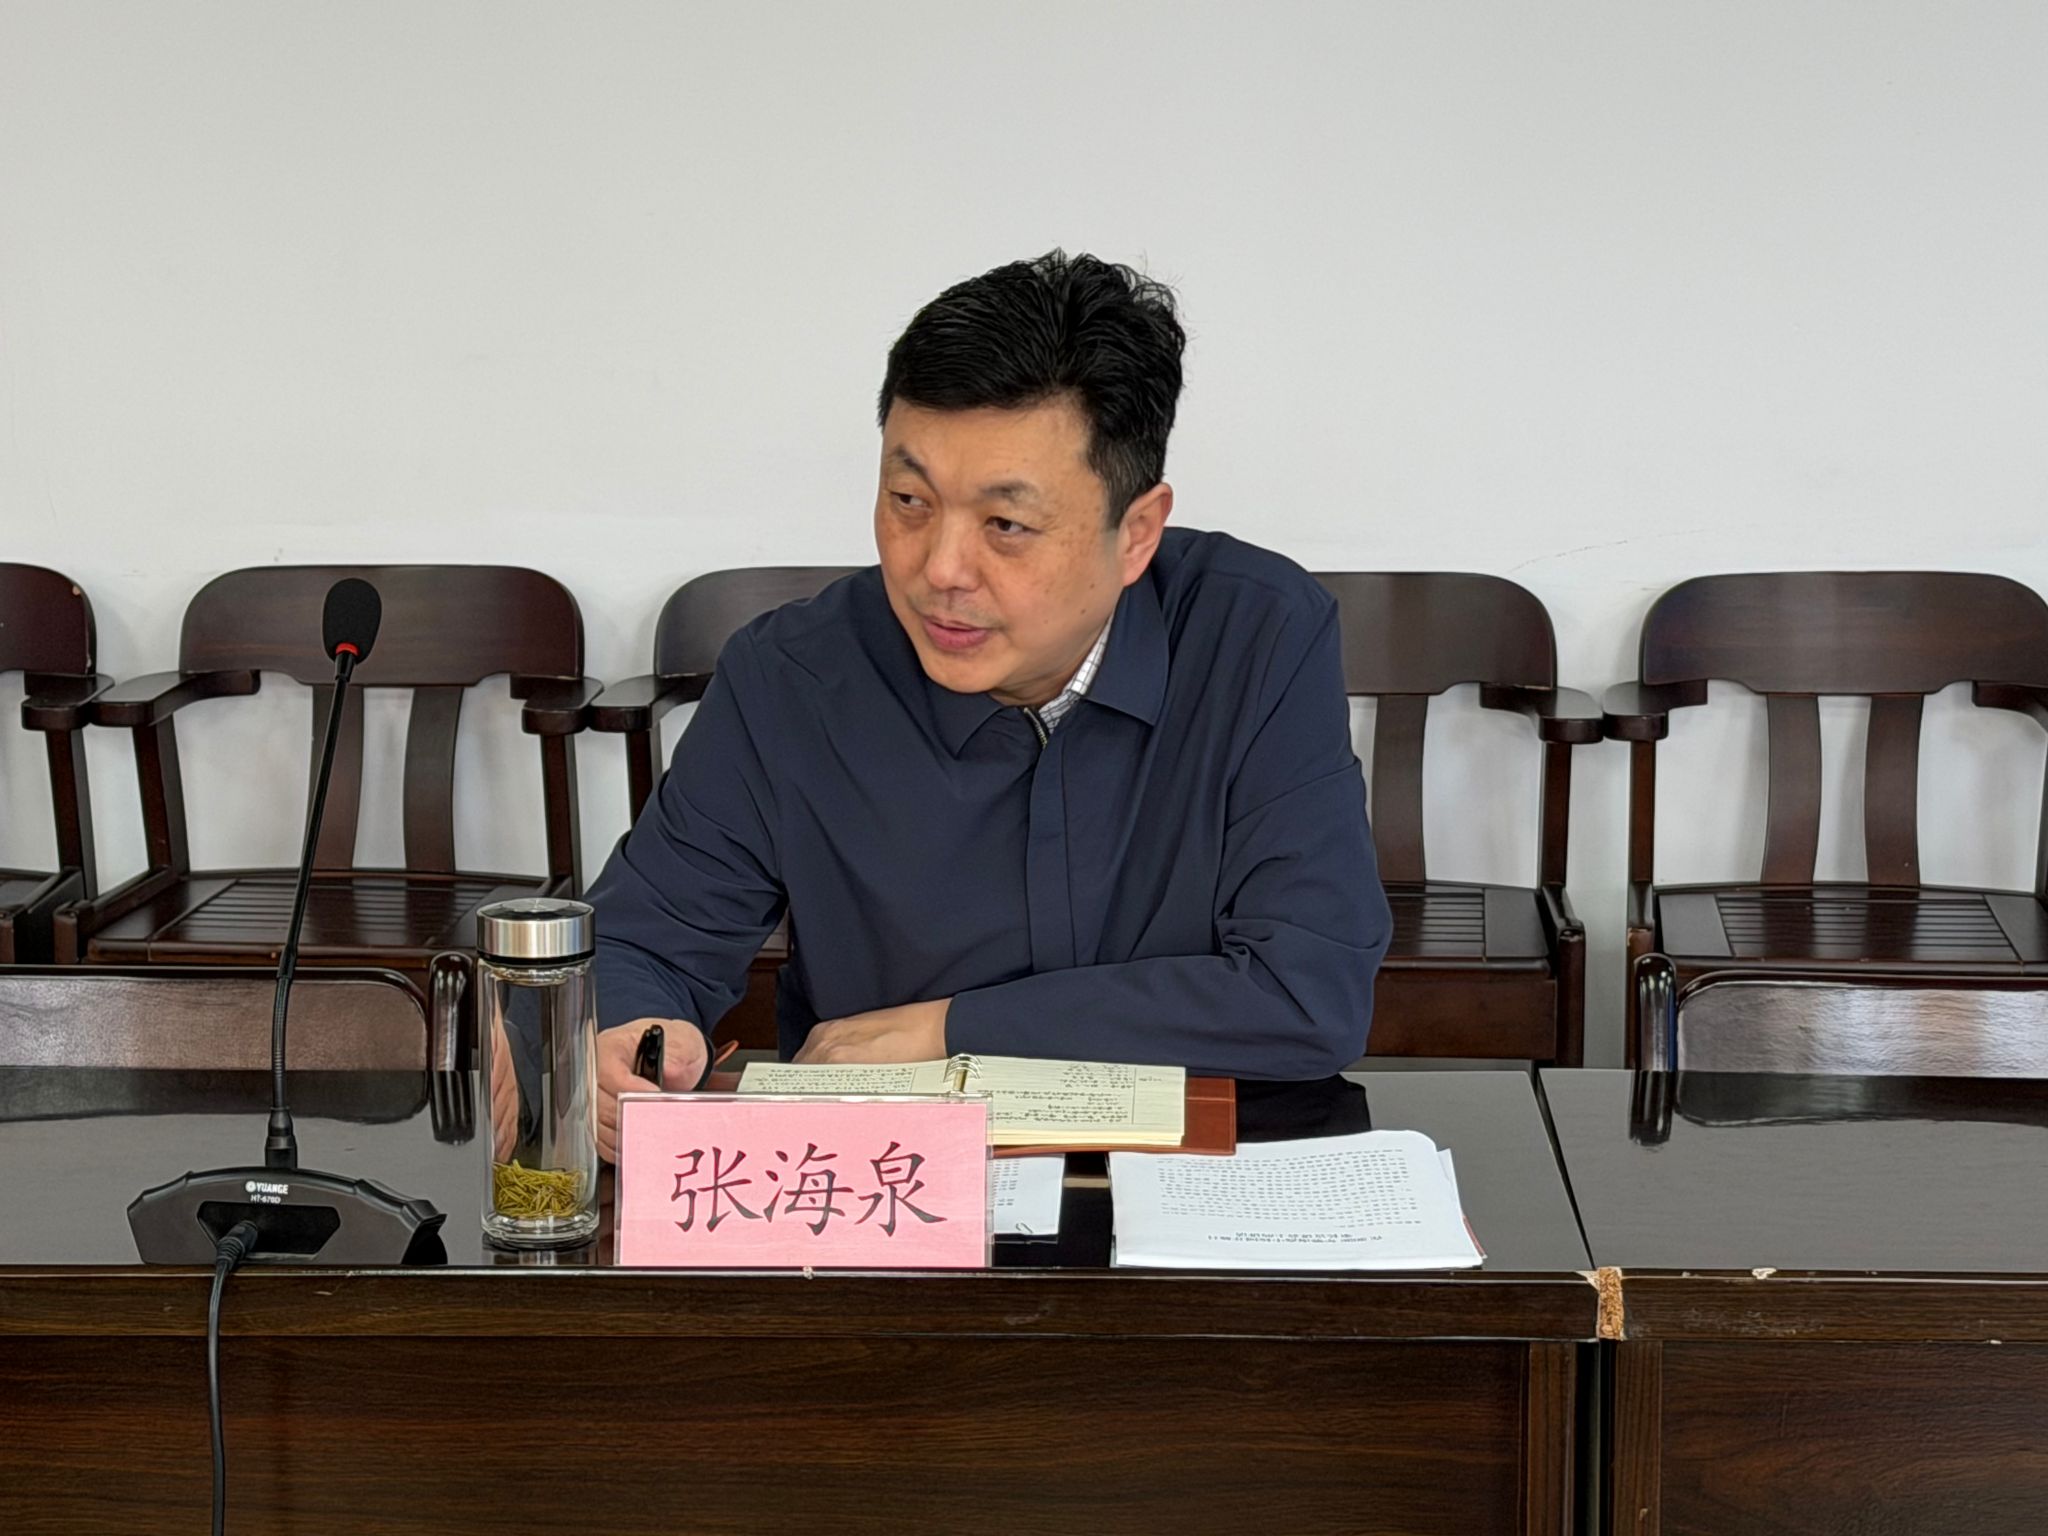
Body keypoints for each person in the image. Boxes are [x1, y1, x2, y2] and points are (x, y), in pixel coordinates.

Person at [589, 250, 1390, 1163]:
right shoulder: (791, 677)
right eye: (909, 501)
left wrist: (951, 1030)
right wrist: (626, 1034)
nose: (939, 570)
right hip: (885, 1187)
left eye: (1005, 524)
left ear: (1136, 532)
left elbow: (1308, 994)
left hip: (1196, 1178)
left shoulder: (1256, 636)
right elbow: (643, 944)